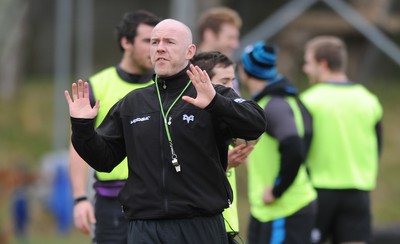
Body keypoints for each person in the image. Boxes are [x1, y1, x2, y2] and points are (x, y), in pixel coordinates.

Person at [65, 18, 266, 243]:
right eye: (154, 42)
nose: (160, 47)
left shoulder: (210, 94)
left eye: (169, 42)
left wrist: (215, 103)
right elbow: (104, 159)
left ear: (190, 51)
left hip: (199, 225)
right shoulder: (133, 102)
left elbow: (255, 124)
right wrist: (82, 127)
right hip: (144, 227)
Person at [68, 10, 161, 243]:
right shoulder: (98, 85)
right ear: (125, 42)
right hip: (111, 204)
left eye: (157, 41)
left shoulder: (166, 86)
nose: (154, 48)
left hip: (158, 200)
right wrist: (80, 198)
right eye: (147, 41)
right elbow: (78, 144)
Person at [300, 35, 383, 244]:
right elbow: (378, 145)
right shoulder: (369, 99)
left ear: (323, 64)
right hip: (358, 191)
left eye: (309, 63)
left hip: (318, 191)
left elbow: (299, 147)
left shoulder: (309, 100)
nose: (305, 69)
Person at [237, 40, 317, 244]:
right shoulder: (281, 99)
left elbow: (294, 148)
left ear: (244, 71)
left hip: (285, 208)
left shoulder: (274, 105)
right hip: (267, 211)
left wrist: (277, 190)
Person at [191, 51, 255, 243]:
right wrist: (224, 165)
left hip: (225, 222)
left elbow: (252, 133)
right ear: (202, 81)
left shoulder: (226, 114)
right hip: (198, 226)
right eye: (225, 81)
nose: (231, 88)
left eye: (233, 81)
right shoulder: (188, 119)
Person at [197, 7, 242, 94]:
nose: (235, 44)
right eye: (230, 38)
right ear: (209, 35)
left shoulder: (229, 72)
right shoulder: (185, 69)